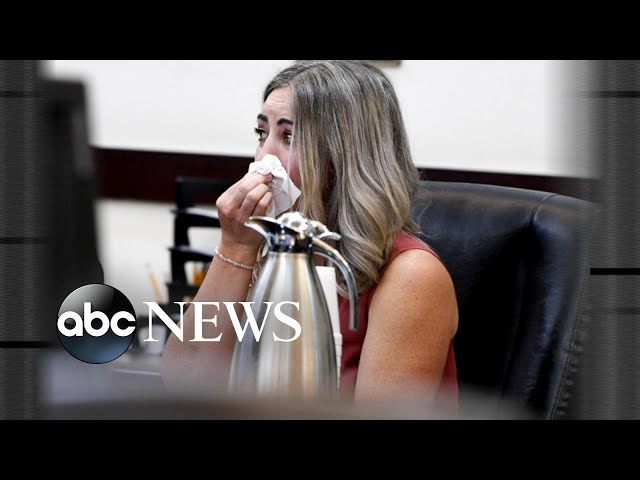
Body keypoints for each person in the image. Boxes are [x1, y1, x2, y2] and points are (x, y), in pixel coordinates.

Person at [161, 60, 459, 412]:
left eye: (288, 137)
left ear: (345, 153)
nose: (264, 157)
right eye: (262, 134)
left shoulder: (411, 276)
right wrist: (235, 247)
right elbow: (183, 382)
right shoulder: (272, 250)